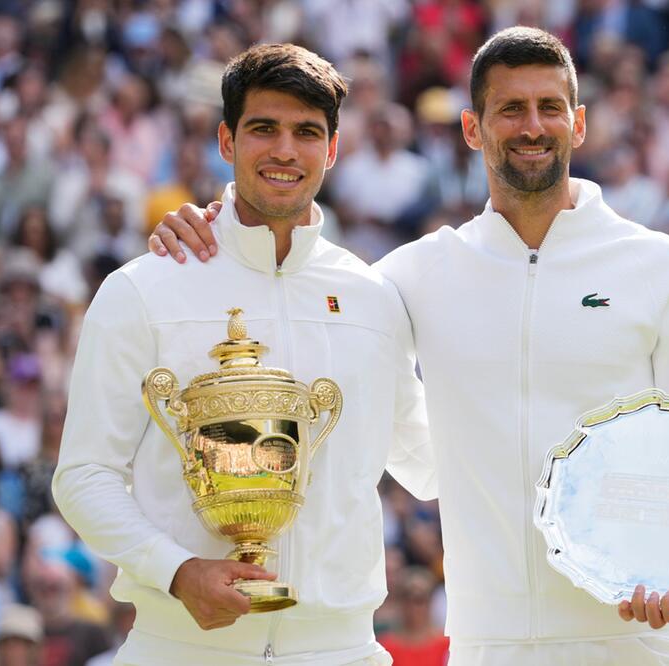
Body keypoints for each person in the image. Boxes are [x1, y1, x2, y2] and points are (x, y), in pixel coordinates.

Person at [150, 27, 669, 665]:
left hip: (637, 639)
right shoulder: (411, 274)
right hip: (487, 646)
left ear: (578, 123)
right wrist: (219, 231)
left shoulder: (659, 265)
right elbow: (294, 284)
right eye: (510, 109)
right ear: (473, 128)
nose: (532, 126)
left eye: (549, 108)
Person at [53, 43, 435, 666]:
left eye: (307, 132)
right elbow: (84, 476)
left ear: (333, 150)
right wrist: (177, 572)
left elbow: (429, 466)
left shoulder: (374, 298)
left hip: (340, 649)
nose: (285, 150)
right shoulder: (143, 288)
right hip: (179, 645)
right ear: (226, 141)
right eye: (265, 128)